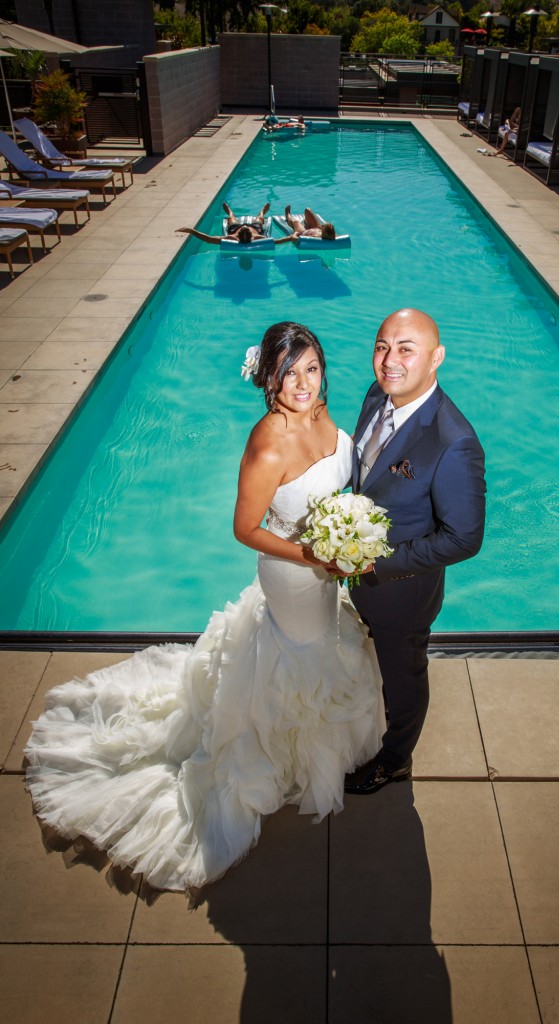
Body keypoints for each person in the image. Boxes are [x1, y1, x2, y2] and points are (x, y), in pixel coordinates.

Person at [24, 322, 384, 892]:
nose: (302, 384)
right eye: (288, 372)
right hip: (293, 574)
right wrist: (315, 553)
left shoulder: (323, 417)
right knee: (299, 659)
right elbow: (245, 528)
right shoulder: (267, 444)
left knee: (319, 651)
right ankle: (274, 756)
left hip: (324, 568)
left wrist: (346, 538)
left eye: (311, 368)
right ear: (269, 377)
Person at [340, 308, 486, 795]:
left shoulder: (454, 441)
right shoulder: (375, 394)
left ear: (436, 357)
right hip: (358, 579)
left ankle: (396, 759)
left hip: (402, 594)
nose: (390, 360)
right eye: (382, 346)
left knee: (403, 680)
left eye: (407, 349)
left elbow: (464, 538)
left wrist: (375, 564)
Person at [176, 201, 289, 246]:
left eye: (245, 227)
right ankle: (262, 211)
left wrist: (192, 231)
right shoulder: (257, 237)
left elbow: (209, 239)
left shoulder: (232, 237)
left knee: (232, 218)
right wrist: (291, 237)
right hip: (255, 227)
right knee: (259, 219)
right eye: (245, 227)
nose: (245, 225)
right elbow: (277, 241)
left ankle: (230, 211)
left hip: (235, 228)